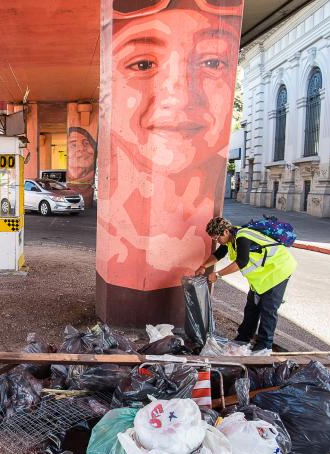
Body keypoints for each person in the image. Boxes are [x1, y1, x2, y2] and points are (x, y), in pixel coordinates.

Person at [98, 0, 243, 292]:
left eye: (212, 62)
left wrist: (212, 271)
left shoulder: (244, 240)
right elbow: (228, 254)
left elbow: (239, 260)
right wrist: (209, 268)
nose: (179, 97)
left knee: (263, 312)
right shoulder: (234, 238)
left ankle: (259, 337)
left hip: (273, 283)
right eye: (143, 64)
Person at [195, 216, 297, 354]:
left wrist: (217, 275)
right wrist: (203, 266)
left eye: (217, 238)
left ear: (225, 232)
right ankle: (243, 338)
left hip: (278, 270)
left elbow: (241, 262)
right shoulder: (232, 239)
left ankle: (264, 346)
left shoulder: (242, 237)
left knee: (268, 309)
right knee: (252, 307)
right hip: (262, 277)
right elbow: (219, 254)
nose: (217, 241)